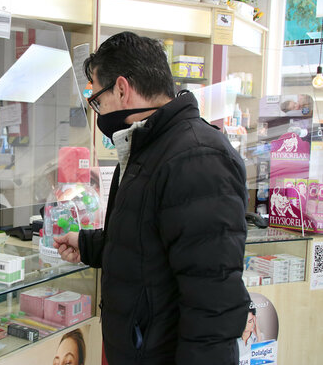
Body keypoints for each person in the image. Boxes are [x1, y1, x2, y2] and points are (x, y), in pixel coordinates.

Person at [53, 32, 250, 364]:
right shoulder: (148, 147)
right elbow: (147, 243)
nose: (99, 111)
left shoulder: (197, 157)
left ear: (121, 88)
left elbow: (212, 302)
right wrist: (89, 245)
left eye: (98, 100)